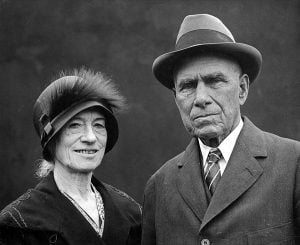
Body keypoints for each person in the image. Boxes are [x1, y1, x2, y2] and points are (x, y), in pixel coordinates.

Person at [141, 14, 300, 245]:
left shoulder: (294, 165)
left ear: (242, 89)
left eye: (215, 81)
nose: (201, 98)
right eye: (188, 86)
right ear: (176, 97)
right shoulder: (159, 187)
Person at [0, 68, 141, 245]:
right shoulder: (18, 224)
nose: (90, 137)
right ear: (51, 141)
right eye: (75, 125)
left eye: (98, 125)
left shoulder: (132, 214)